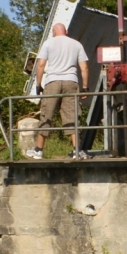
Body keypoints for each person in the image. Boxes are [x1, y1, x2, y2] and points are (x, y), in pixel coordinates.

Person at [25, 22, 90, 159]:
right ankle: (77, 150)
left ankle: (38, 150)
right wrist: (85, 88)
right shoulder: (76, 44)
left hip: (52, 81)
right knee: (72, 115)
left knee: (46, 114)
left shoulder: (48, 44)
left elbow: (41, 65)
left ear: (54, 32)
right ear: (66, 31)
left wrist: (38, 85)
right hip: (71, 82)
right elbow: (84, 68)